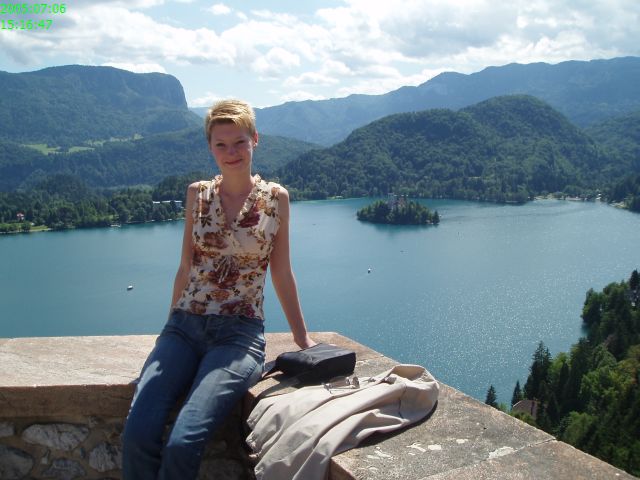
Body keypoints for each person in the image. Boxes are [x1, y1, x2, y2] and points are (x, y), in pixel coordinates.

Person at [121, 99, 315, 479]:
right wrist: (168, 329)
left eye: (239, 142)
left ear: (255, 139)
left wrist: (302, 338)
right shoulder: (197, 195)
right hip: (184, 327)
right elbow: (185, 267)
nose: (231, 152)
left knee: (183, 441)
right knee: (137, 433)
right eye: (221, 144)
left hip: (238, 336)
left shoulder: (275, 199)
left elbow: (281, 271)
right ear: (210, 147)